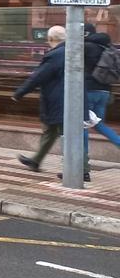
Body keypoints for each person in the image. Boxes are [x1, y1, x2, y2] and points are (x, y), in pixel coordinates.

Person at [14, 25, 90, 181]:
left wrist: (20, 92)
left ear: (50, 39)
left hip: (62, 103)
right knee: (50, 131)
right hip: (70, 100)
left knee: (69, 136)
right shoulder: (73, 51)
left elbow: (38, 76)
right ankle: (36, 161)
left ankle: (81, 170)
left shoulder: (56, 54)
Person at [85, 23, 120, 152]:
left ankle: (82, 161)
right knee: (98, 124)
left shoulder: (86, 47)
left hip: (88, 90)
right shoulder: (107, 47)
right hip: (104, 91)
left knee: (81, 124)